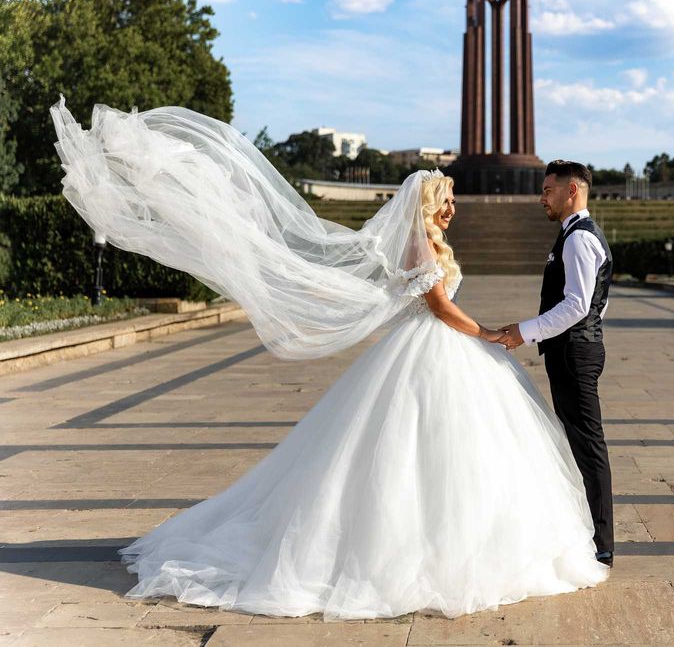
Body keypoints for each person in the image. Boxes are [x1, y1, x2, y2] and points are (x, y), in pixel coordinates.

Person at [48, 98, 609, 621]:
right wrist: (490, 333)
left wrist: (495, 334)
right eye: (446, 203)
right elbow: (437, 304)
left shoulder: (451, 244)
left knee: (458, 451)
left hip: (447, 351)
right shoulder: (419, 247)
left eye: (452, 204)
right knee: (414, 453)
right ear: (426, 206)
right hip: (438, 346)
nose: (452, 211)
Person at [498, 161, 614, 567]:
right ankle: (590, 532)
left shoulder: (579, 239)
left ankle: (602, 543)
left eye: (549, 190)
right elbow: (595, 301)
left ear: (573, 192)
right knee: (579, 440)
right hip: (574, 348)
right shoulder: (573, 235)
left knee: (588, 445)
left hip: (574, 352)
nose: (542, 197)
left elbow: (578, 305)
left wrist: (525, 331)